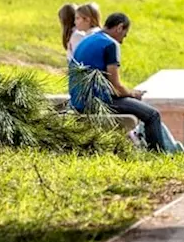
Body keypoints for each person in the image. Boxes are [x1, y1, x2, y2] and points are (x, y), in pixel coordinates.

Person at [69, 12, 167, 152]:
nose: (122, 41)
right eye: (124, 35)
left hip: (78, 100)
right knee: (152, 115)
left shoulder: (88, 39)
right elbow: (116, 87)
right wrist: (133, 94)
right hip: (97, 102)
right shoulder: (110, 44)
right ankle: (158, 156)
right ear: (120, 27)